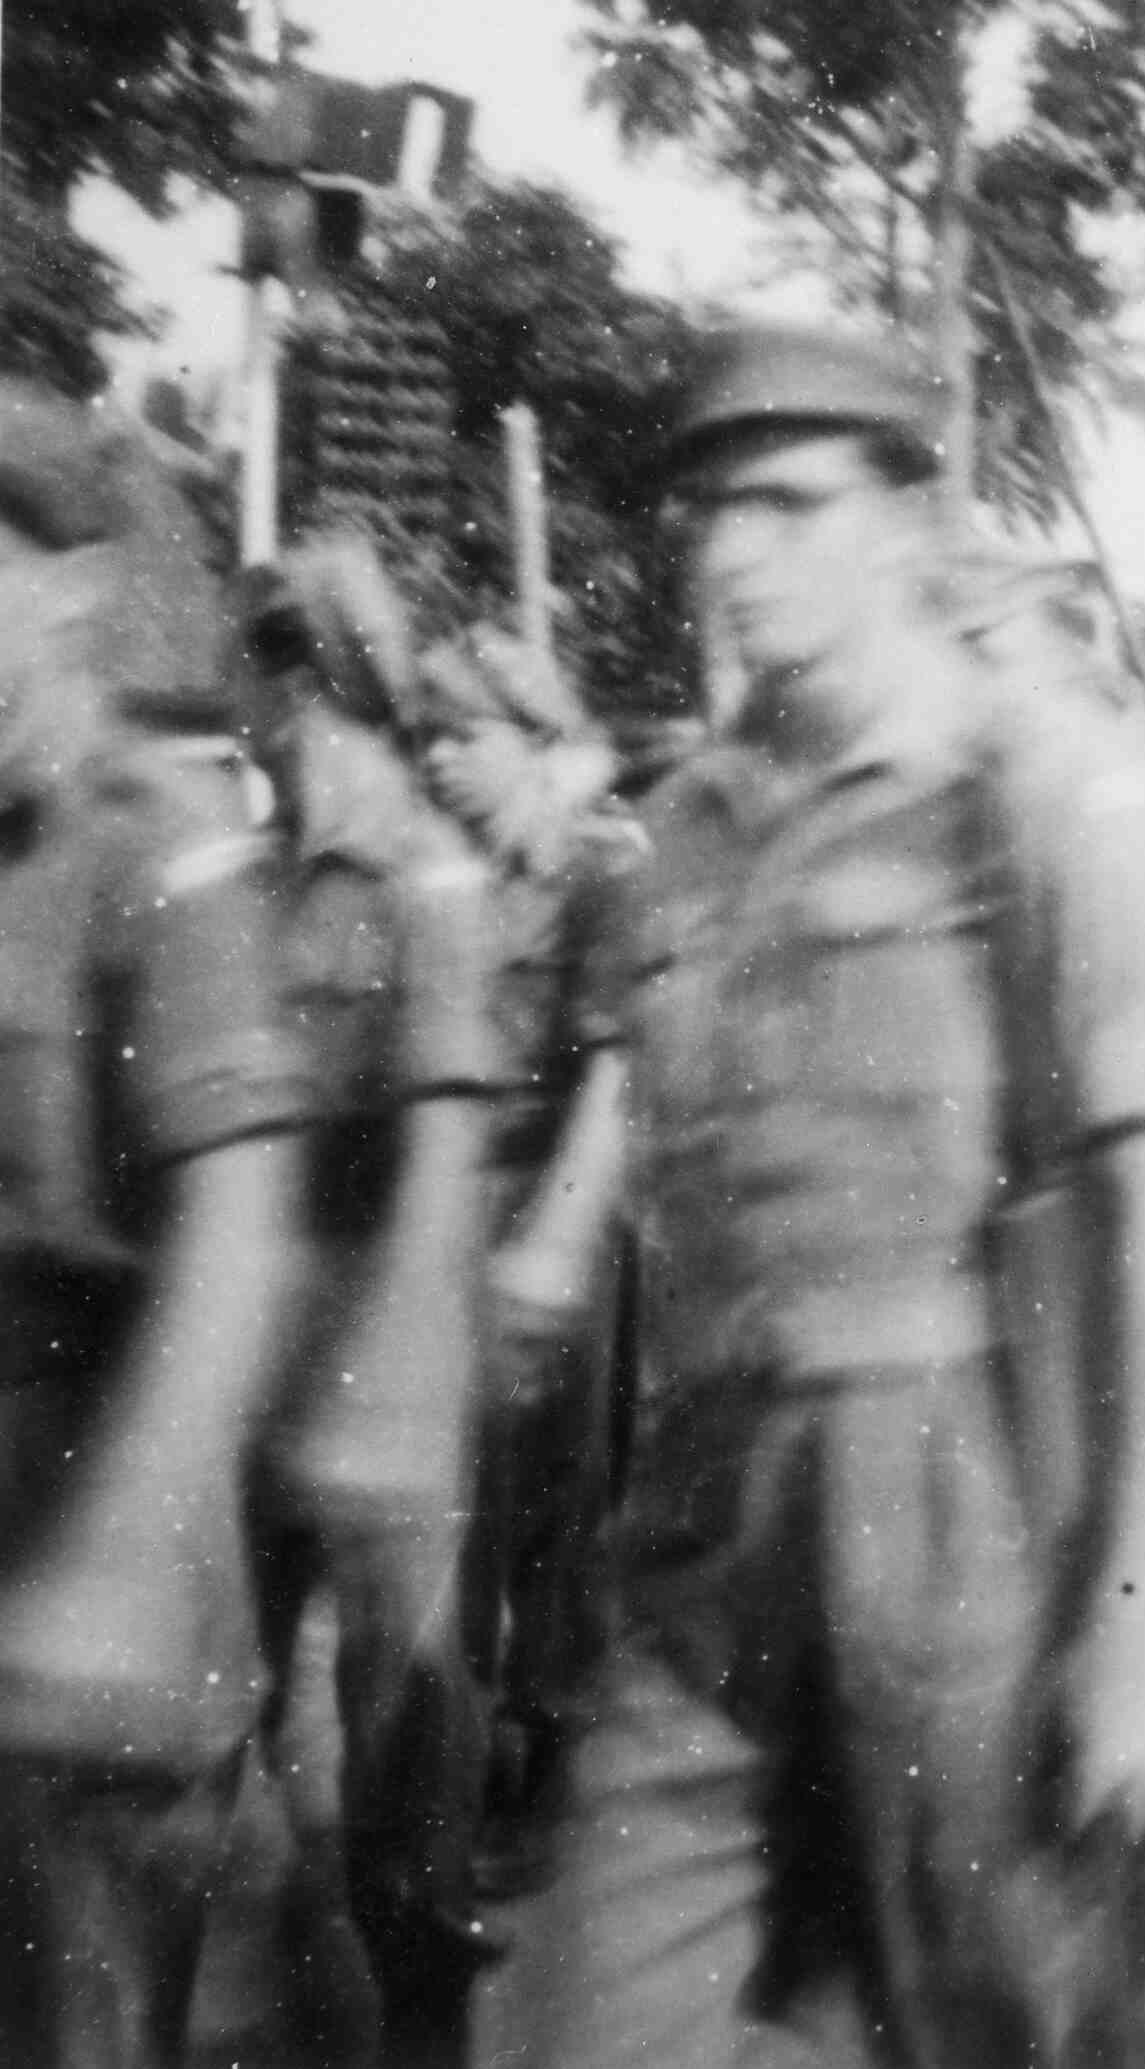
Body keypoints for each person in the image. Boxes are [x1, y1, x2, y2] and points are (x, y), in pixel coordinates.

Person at [529, 321, 1145, 2068]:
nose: (729, 553)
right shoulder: (695, 814)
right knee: (585, 2006)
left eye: (785, 504)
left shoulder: (1044, 787)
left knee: (1010, 2013)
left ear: (908, 523)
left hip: (964, 1484)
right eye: (710, 513)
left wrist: (1142, 1631)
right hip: (715, 1481)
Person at [0, 399, 311, 2069]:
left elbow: (241, 1229)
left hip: (97, 1509)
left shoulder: (155, 849)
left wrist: (117, 1564)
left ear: (69, 586)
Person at [233, 536, 507, 2069]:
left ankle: (423, 2020)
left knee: (403, 1714)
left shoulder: (428, 877)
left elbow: (445, 1148)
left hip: (386, 1336)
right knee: (234, 1699)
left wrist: (384, 1387)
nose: (245, 716)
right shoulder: (259, 875)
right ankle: (297, 1996)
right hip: (266, 1336)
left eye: (255, 679)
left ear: (299, 683)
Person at [414, 627, 648, 1883]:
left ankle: (548, 1756)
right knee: (462, 1507)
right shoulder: (439, 866)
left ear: (537, 737)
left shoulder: (602, 867)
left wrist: (554, 1242)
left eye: (465, 734)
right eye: (427, 736)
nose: (439, 759)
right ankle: (464, 1757)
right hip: (451, 1209)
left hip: (561, 1207)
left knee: (558, 1501)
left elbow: (618, 1068)